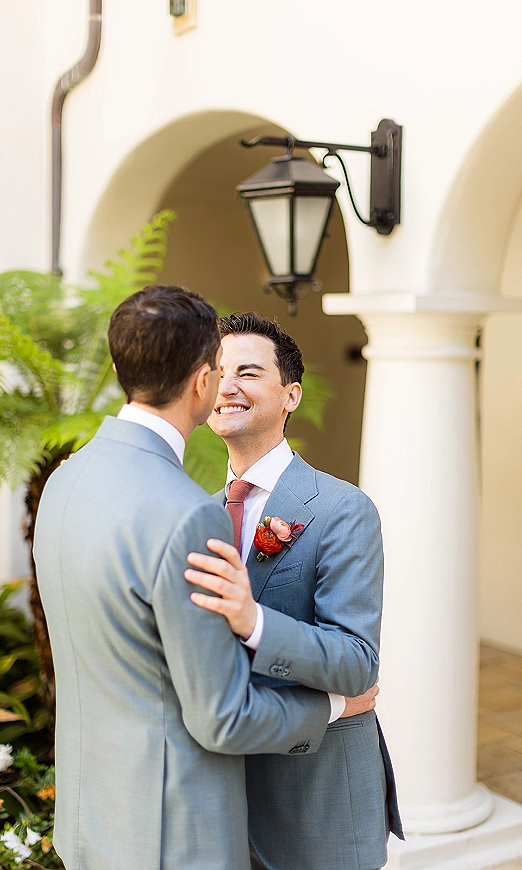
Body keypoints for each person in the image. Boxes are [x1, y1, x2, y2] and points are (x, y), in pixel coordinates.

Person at [34, 286, 343, 870]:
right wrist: (330, 708)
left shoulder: (64, 480)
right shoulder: (189, 513)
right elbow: (221, 716)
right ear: (201, 382)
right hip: (170, 834)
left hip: (88, 819)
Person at [185, 312, 404, 870]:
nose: (227, 385)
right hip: (227, 812)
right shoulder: (199, 516)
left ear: (291, 395)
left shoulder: (341, 509)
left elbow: (358, 664)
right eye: (218, 371)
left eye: (249, 372)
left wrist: (251, 620)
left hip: (319, 811)